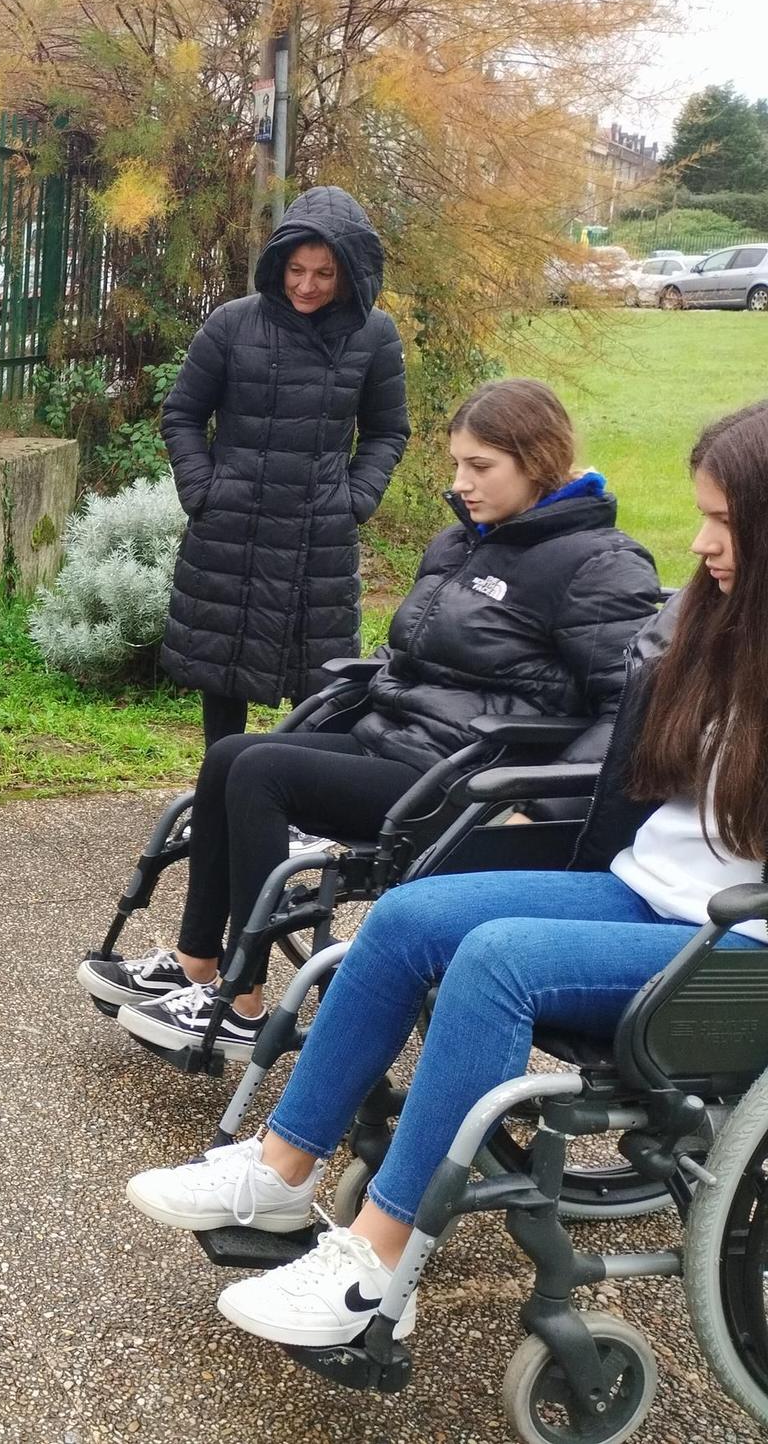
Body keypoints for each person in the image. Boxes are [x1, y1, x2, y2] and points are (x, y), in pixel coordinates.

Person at [122, 399, 768, 1351]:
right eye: (703, 516)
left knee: (497, 959)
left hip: (734, 942)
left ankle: (382, 1267)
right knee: (409, 917)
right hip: (644, 891)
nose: (703, 543)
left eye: (725, 522)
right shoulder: (720, 618)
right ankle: (278, 1170)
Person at [80, 379, 660, 1057]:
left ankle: (240, 1005)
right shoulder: (461, 542)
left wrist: (539, 803)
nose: (461, 482)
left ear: (538, 461)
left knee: (261, 771)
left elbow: (630, 704)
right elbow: (410, 650)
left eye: (480, 467)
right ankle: (196, 962)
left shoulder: (599, 565)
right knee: (231, 754)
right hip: (400, 743)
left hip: (467, 781)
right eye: (456, 464)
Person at [160, 187, 411, 751]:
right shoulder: (231, 325)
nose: (306, 285)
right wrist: (203, 490)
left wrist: (355, 499)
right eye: (296, 269)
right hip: (230, 531)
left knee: (318, 686)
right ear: (279, 264)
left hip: (318, 538)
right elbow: (182, 414)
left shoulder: (374, 336)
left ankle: (297, 806)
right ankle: (216, 799)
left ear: (348, 273)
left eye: (324, 273)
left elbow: (387, 431)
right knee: (222, 680)